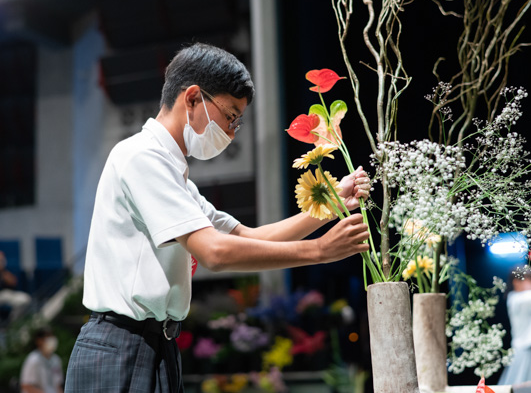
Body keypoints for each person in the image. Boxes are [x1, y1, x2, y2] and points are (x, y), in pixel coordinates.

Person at [64, 42, 371, 392]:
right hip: (121, 344)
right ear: (193, 98)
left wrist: (330, 205)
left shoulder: (176, 177)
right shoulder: (141, 157)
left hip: (154, 344)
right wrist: (319, 251)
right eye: (230, 116)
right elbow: (215, 253)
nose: (230, 131)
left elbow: (246, 237)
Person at [20, 327, 63, 393]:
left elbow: (58, 385)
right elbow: (26, 385)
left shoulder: (56, 359)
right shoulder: (33, 359)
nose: (51, 341)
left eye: (52, 337)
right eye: (48, 337)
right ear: (39, 341)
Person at [0, 250, 32, 322]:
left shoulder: (5, 270)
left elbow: (13, 282)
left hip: (5, 294)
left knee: (25, 299)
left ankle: (13, 323)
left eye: (1, 260)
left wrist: (2, 270)